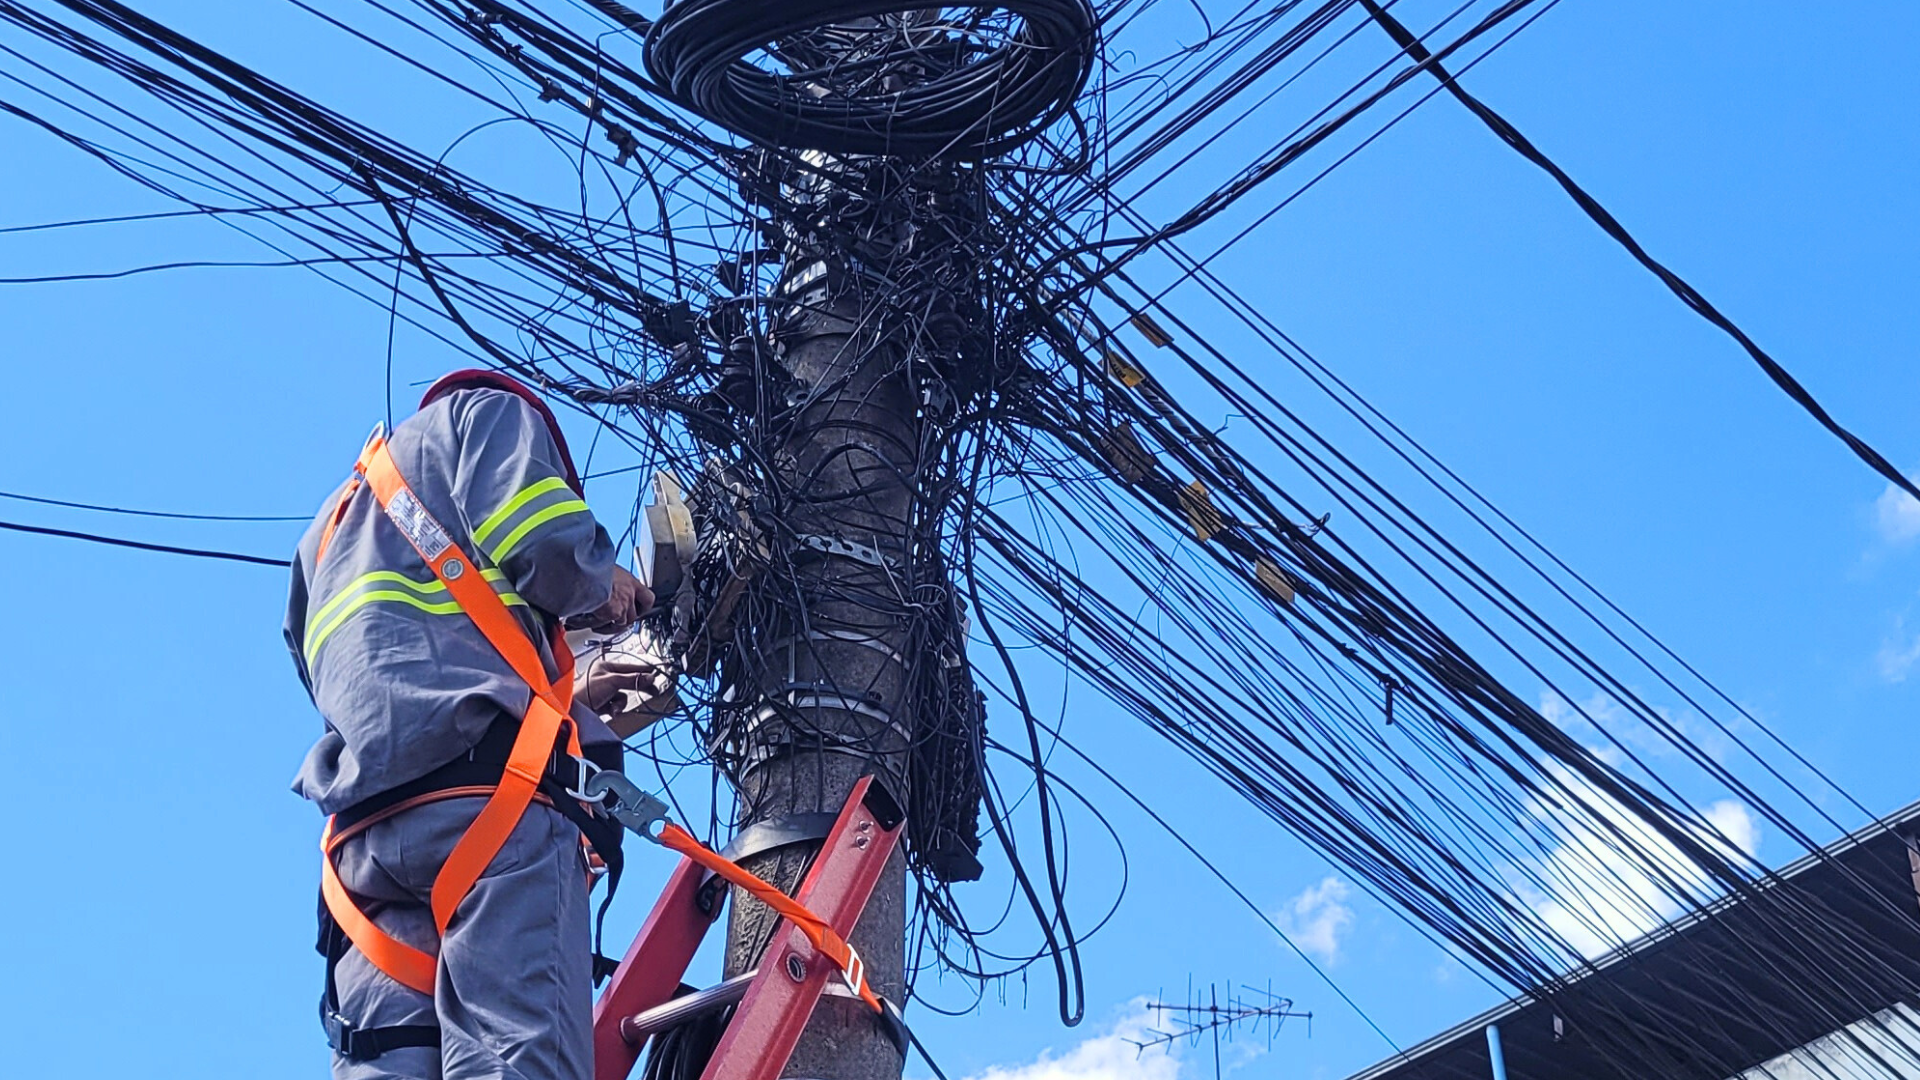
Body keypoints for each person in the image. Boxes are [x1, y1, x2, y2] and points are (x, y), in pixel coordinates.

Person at [285, 369, 659, 1080]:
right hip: (493, 814)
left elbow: (379, 669)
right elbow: (548, 546)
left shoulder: (326, 530)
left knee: (384, 1063)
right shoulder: (489, 416)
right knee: (512, 1060)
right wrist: (602, 580)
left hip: (367, 839)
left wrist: (559, 700)